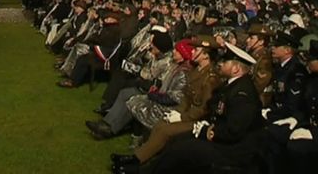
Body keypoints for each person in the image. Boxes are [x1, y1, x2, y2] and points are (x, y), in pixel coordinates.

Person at [148, 42, 264, 173]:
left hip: (233, 150)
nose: (220, 64)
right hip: (223, 138)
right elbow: (214, 107)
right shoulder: (231, 85)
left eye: (225, 62)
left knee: (182, 149)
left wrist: (207, 130)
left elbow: (234, 130)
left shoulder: (243, 94)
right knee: (177, 141)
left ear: (235, 69)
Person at [112, 37, 222, 173]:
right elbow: (186, 99)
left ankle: (141, 165)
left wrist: (182, 117)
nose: (192, 52)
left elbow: (204, 108)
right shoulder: (197, 71)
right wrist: (178, 112)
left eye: (197, 50)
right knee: (160, 125)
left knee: (165, 130)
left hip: (197, 120)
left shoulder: (210, 78)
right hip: (186, 113)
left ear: (206, 55)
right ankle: (137, 159)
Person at [264, 39, 318, 174]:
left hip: (314, 131)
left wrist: (313, 133)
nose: (307, 63)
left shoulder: (303, 75)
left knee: (297, 147)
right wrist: (295, 119)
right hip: (307, 123)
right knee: (274, 132)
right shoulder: (313, 79)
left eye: (311, 60)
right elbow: (307, 107)